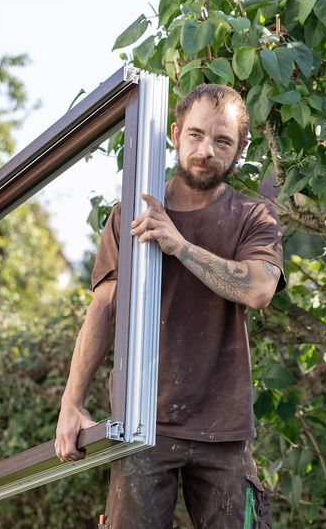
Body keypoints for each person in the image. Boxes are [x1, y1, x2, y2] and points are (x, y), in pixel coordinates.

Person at [55, 84, 285, 528]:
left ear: (240, 149)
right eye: (195, 135)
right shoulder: (129, 216)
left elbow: (258, 289)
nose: (206, 151)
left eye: (223, 141)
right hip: (143, 423)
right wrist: (72, 402)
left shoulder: (254, 217)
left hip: (225, 429)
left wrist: (180, 246)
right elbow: (103, 311)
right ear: (176, 133)